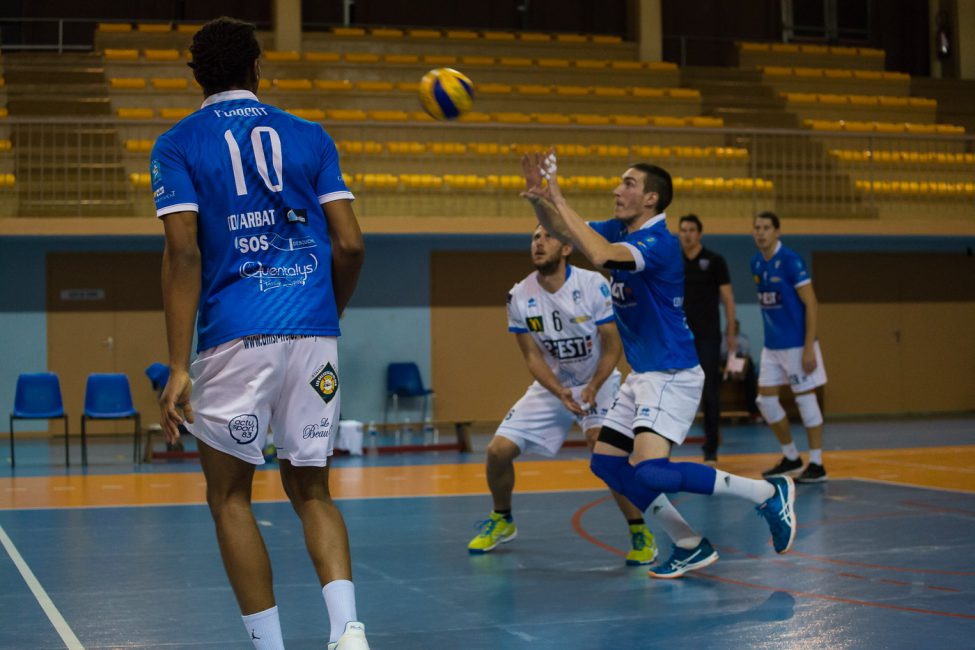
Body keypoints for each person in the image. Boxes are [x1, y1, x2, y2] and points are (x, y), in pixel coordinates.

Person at [154, 18, 368, 650]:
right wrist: (328, 312)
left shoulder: (176, 144)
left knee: (229, 498)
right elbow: (351, 244)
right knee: (312, 489)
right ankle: (348, 631)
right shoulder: (310, 134)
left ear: (197, 76)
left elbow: (183, 253)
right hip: (312, 330)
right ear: (256, 68)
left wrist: (178, 365)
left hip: (235, 334)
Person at [519, 150, 797, 579]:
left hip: (671, 373)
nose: (617, 189)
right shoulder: (621, 229)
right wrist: (541, 199)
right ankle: (688, 543)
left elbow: (602, 256)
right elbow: (561, 231)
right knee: (607, 464)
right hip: (644, 375)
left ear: (650, 199)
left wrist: (558, 195)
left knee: (652, 472)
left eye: (628, 183)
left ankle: (766, 492)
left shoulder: (659, 243)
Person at [468, 224, 659, 566]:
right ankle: (502, 519)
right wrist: (559, 392)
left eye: (547, 237)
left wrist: (592, 387)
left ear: (567, 248)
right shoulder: (519, 295)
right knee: (497, 452)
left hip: (598, 382)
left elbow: (612, 347)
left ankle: (639, 531)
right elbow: (532, 357)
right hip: (553, 387)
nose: (539, 243)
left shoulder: (593, 284)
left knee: (603, 450)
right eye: (534, 238)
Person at [751, 212, 828, 483]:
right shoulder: (756, 262)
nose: (761, 232)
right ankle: (791, 456)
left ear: (777, 232)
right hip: (772, 346)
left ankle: (817, 463)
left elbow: (812, 303)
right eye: (757, 228)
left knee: (805, 400)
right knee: (765, 401)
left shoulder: (791, 261)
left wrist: (809, 347)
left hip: (796, 345)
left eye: (766, 228)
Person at [678, 214, 736, 463]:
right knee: (672, 388)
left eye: (691, 230)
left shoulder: (715, 261)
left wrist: (730, 331)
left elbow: (728, 298)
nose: (687, 234)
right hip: (679, 338)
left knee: (710, 391)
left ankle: (711, 447)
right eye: (683, 230)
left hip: (708, 337)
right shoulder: (673, 262)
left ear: (699, 234)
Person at [721, 319, 760, 421]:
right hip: (724, 364)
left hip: (740, 365)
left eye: (736, 328)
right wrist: (727, 371)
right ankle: (716, 411)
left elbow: (745, 358)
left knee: (750, 371)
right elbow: (719, 357)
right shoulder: (721, 339)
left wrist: (742, 373)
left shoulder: (743, 339)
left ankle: (753, 411)